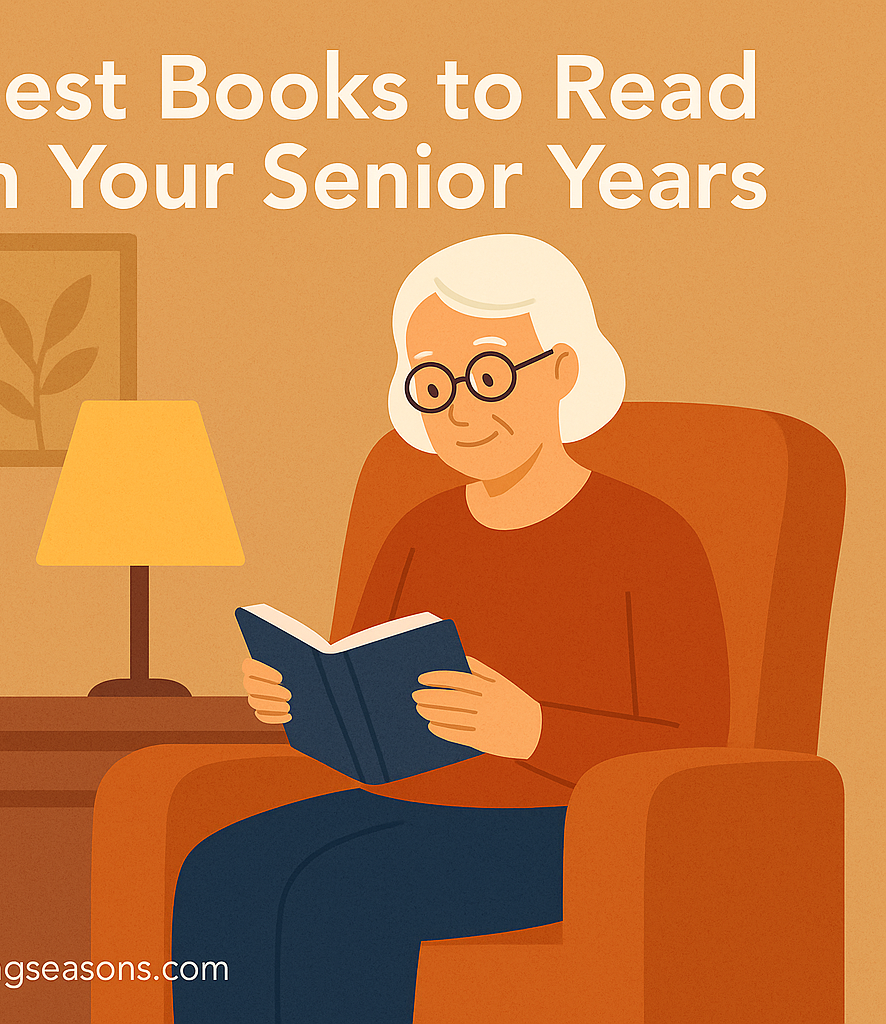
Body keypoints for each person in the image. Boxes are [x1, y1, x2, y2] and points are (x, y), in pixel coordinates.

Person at [171, 235, 730, 1023]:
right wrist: (300, 704)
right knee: (222, 869)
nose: (462, 407)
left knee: (345, 892)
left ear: (563, 372)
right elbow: (363, 693)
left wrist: (535, 729)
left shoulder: (648, 535)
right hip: (409, 806)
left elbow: (699, 744)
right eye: (434, 384)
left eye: (491, 374)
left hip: (568, 830)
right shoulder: (418, 529)